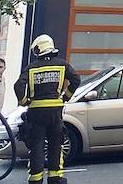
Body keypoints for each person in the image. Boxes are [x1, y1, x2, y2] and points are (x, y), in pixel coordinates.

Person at [15, 35, 80, 184]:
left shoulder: (31, 67)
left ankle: (36, 179)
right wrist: (65, 97)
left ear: (39, 49)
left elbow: (18, 86)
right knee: (56, 145)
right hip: (55, 112)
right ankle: (55, 178)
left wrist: (24, 101)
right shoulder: (62, 65)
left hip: (36, 113)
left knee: (37, 146)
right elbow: (76, 79)